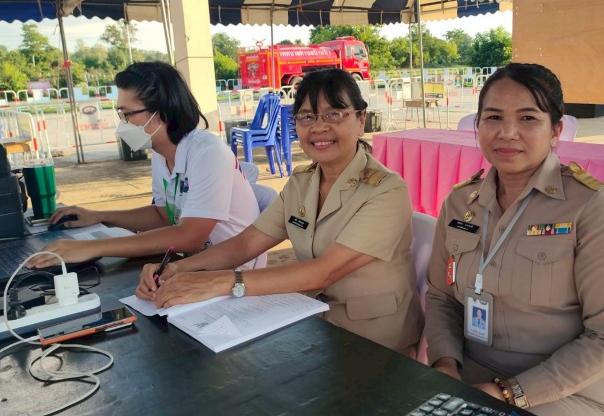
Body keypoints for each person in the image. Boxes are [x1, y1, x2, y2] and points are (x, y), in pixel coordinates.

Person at [135, 68, 423, 355]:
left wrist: (221, 282)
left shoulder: (386, 190)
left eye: (334, 114)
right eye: (306, 117)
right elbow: (247, 243)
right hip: (316, 323)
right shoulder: (302, 182)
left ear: (361, 120)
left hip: (377, 340)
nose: (319, 127)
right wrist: (176, 269)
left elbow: (324, 272)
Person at [424, 63, 604, 415]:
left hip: (568, 387)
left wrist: (506, 392)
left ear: (555, 130)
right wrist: (445, 364)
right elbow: (441, 297)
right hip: (471, 371)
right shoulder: (460, 202)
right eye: (493, 118)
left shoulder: (590, 207)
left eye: (528, 118)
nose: (507, 133)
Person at [28, 61, 265, 269]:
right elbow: (163, 215)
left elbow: (190, 237)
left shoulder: (207, 153)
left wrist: (93, 247)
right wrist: (99, 216)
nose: (123, 123)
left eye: (127, 114)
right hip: (196, 267)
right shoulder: (162, 154)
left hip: (234, 272)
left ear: (162, 113)